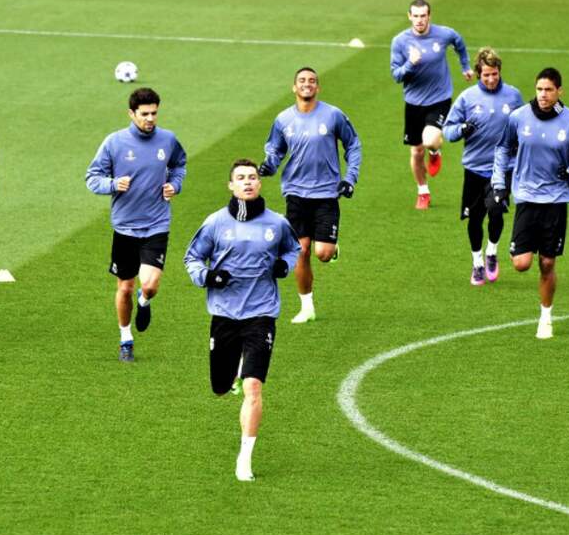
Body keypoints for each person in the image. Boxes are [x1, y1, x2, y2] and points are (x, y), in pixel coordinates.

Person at [184, 159, 300, 481]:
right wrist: (208, 277)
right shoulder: (215, 223)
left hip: (261, 315)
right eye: (240, 178)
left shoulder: (276, 224)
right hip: (224, 314)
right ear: (231, 186)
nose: (248, 182)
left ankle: (245, 458)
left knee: (253, 387)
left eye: (252, 177)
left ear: (259, 184)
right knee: (220, 387)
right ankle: (232, 372)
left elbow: (293, 250)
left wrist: (285, 267)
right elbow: (191, 258)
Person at [86, 87, 187, 362]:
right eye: (144, 114)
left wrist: (174, 185)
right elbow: (92, 177)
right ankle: (125, 338)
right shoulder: (114, 143)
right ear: (131, 114)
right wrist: (112, 184)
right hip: (125, 227)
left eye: (154, 113)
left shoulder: (168, 140)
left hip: (156, 223)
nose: (150, 119)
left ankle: (145, 301)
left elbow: (179, 164)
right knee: (125, 288)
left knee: (150, 284)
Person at [492, 68, 569, 339]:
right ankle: (526, 253)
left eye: (549, 90)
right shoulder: (518, 118)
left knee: (547, 263)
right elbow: (502, 149)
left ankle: (546, 316)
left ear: (560, 91)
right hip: (526, 196)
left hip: (556, 199)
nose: (543, 95)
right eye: (539, 89)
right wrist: (499, 185)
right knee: (522, 264)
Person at [258, 67, 362, 324]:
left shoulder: (333, 115)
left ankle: (332, 246)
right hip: (295, 192)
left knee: (322, 253)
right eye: (302, 81)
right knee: (300, 250)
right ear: (294, 87)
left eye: (312, 81)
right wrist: (268, 166)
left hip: (327, 192)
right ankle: (307, 307)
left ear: (318, 88)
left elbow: (353, 145)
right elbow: (275, 151)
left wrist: (350, 178)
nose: (307, 84)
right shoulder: (283, 119)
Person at [443, 47, 524, 285]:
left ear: (500, 72)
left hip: (502, 169)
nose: (491, 79)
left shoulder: (513, 96)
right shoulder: (467, 98)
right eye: (486, 75)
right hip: (474, 169)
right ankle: (477, 262)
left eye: (495, 74)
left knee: (497, 211)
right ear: (479, 73)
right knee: (475, 219)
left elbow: (523, 124)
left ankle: (492, 251)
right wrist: (462, 129)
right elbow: (448, 130)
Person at [390, 0, 473, 209]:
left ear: (429, 16)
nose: (419, 20)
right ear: (409, 16)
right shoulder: (400, 42)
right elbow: (397, 75)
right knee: (416, 152)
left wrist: (465, 66)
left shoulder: (443, 34)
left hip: (440, 99)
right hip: (413, 103)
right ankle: (423, 191)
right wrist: (410, 63)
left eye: (423, 16)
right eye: (415, 16)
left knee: (429, 140)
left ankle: (435, 152)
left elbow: (459, 42)